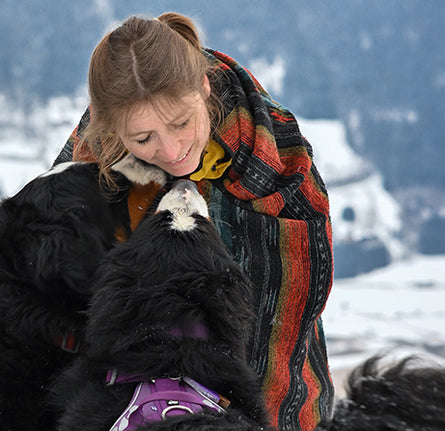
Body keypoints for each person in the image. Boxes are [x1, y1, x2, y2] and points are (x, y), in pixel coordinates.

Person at [53, 12, 334, 431]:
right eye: (143, 139)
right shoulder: (90, 172)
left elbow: (284, 323)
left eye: (181, 122)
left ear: (204, 88)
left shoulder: (277, 163)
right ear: (112, 130)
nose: (171, 150)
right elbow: (59, 298)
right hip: (130, 409)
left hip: (278, 401)